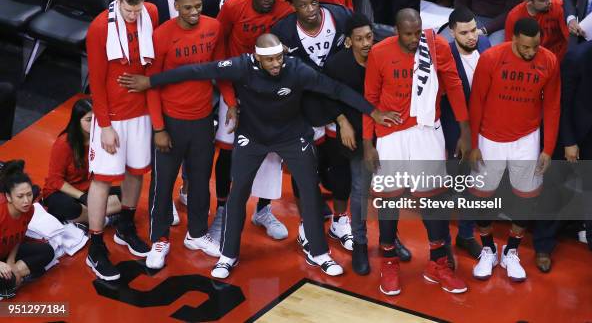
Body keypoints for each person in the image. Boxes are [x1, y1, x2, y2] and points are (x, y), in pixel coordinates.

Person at [118, 33, 401, 279]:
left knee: (310, 192)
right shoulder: (241, 67)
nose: (277, 64)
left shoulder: (297, 69)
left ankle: (318, 252)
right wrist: (150, 81)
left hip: (291, 135)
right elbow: (197, 70)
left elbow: (337, 89)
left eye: (280, 58)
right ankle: (228, 255)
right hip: (252, 137)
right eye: (271, 60)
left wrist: (372, 111)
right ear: (257, 58)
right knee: (238, 192)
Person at [363, 8, 471, 296]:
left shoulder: (437, 47)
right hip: (391, 134)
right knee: (389, 200)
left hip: (427, 129)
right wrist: (367, 143)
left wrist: (464, 132)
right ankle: (389, 260)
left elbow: (455, 86)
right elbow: (370, 99)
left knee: (433, 199)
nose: (413, 39)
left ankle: (438, 264)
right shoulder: (379, 52)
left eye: (417, 32)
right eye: (407, 34)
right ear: (397, 31)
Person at [145, 0, 237, 269]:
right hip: (170, 123)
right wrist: (159, 128)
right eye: (188, 7)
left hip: (202, 120)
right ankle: (159, 239)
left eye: (198, 6)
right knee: (162, 186)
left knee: (199, 182)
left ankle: (196, 233)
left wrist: (231, 102)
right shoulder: (161, 36)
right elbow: (151, 86)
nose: (195, 11)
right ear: (176, 7)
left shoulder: (213, 28)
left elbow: (221, 67)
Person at [469, 18, 561, 282]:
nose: (531, 53)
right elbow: (476, 102)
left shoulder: (549, 61)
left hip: (527, 137)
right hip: (490, 136)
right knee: (481, 197)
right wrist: (473, 144)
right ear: (513, 39)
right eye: (525, 48)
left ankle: (511, 251)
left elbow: (553, 106)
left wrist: (548, 147)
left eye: (535, 47)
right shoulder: (491, 58)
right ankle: (488, 249)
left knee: (526, 198)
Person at [272, 0, 355, 252]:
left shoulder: (341, 17)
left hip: (338, 106)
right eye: (304, 5)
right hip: (304, 110)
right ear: (293, 7)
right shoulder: (282, 31)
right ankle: (307, 224)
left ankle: (341, 221)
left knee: (341, 168)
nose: (311, 10)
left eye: (314, 3)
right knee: (304, 169)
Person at [85, 0, 158, 281]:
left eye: (137, 10)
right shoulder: (100, 27)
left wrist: (156, 117)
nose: (134, 16)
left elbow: (153, 67)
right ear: (118, 1)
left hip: (140, 112)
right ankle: (95, 244)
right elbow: (97, 80)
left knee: (136, 172)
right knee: (102, 180)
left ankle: (125, 226)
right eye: (129, 11)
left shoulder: (151, 13)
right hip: (112, 117)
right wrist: (104, 125)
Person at [215, 0, 294, 241]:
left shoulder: (285, 8)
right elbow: (219, 50)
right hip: (236, 86)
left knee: (270, 152)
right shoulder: (233, 7)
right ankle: (222, 210)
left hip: (268, 92)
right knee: (226, 150)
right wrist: (229, 97)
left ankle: (262, 210)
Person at [552, 15, 592, 264]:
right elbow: (562, 103)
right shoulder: (577, 57)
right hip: (572, 131)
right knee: (556, 189)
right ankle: (544, 242)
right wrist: (568, 141)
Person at [321, 12, 373, 274]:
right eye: (359, 39)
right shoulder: (337, 65)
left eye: (369, 37)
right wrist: (342, 121)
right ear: (349, 42)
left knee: (389, 190)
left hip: (382, 132)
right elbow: (327, 96)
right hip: (354, 133)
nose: (366, 43)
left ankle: (391, 238)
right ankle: (360, 243)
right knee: (359, 189)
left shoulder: (380, 58)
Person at [440, 7, 490, 260]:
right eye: (464, 32)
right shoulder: (444, 55)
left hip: (486, 126)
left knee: (477, 182)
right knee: (460, 184)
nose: (472, 36)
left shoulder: (487, 43)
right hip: (455, 129)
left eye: (474, 30)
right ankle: (457, 237)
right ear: (452, 32)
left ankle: (466, 233)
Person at [42, 98, 121, 224]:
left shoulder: (101, 138)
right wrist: (82, 197)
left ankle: (83, 217)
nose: (94, 123)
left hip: (89, 190)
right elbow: (55, 180)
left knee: (124, 195)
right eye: (89, 120)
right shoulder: (64, 143)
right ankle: (102, 220)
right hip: (62, 192)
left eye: (97, 119)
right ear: (77, 121)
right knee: (70, 207)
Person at [0, 160, 54, 300]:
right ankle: (13, 279)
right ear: (8, 197)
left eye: (29, 195)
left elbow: (18, 238)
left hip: (5, 253)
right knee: (8, 281)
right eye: (20, 196)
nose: (26, 201)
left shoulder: (29, 210)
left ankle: (14, 276)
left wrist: (12, 263)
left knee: (47, 251)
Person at [505, 0, 569, 62]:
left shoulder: (559, 6)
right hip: (528, 59)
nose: (550, 1)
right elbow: (511, 47)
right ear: (528, 1)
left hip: (558, 58)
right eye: (543, 0)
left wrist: (554, 61)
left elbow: (569, 39)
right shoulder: (514, 16)